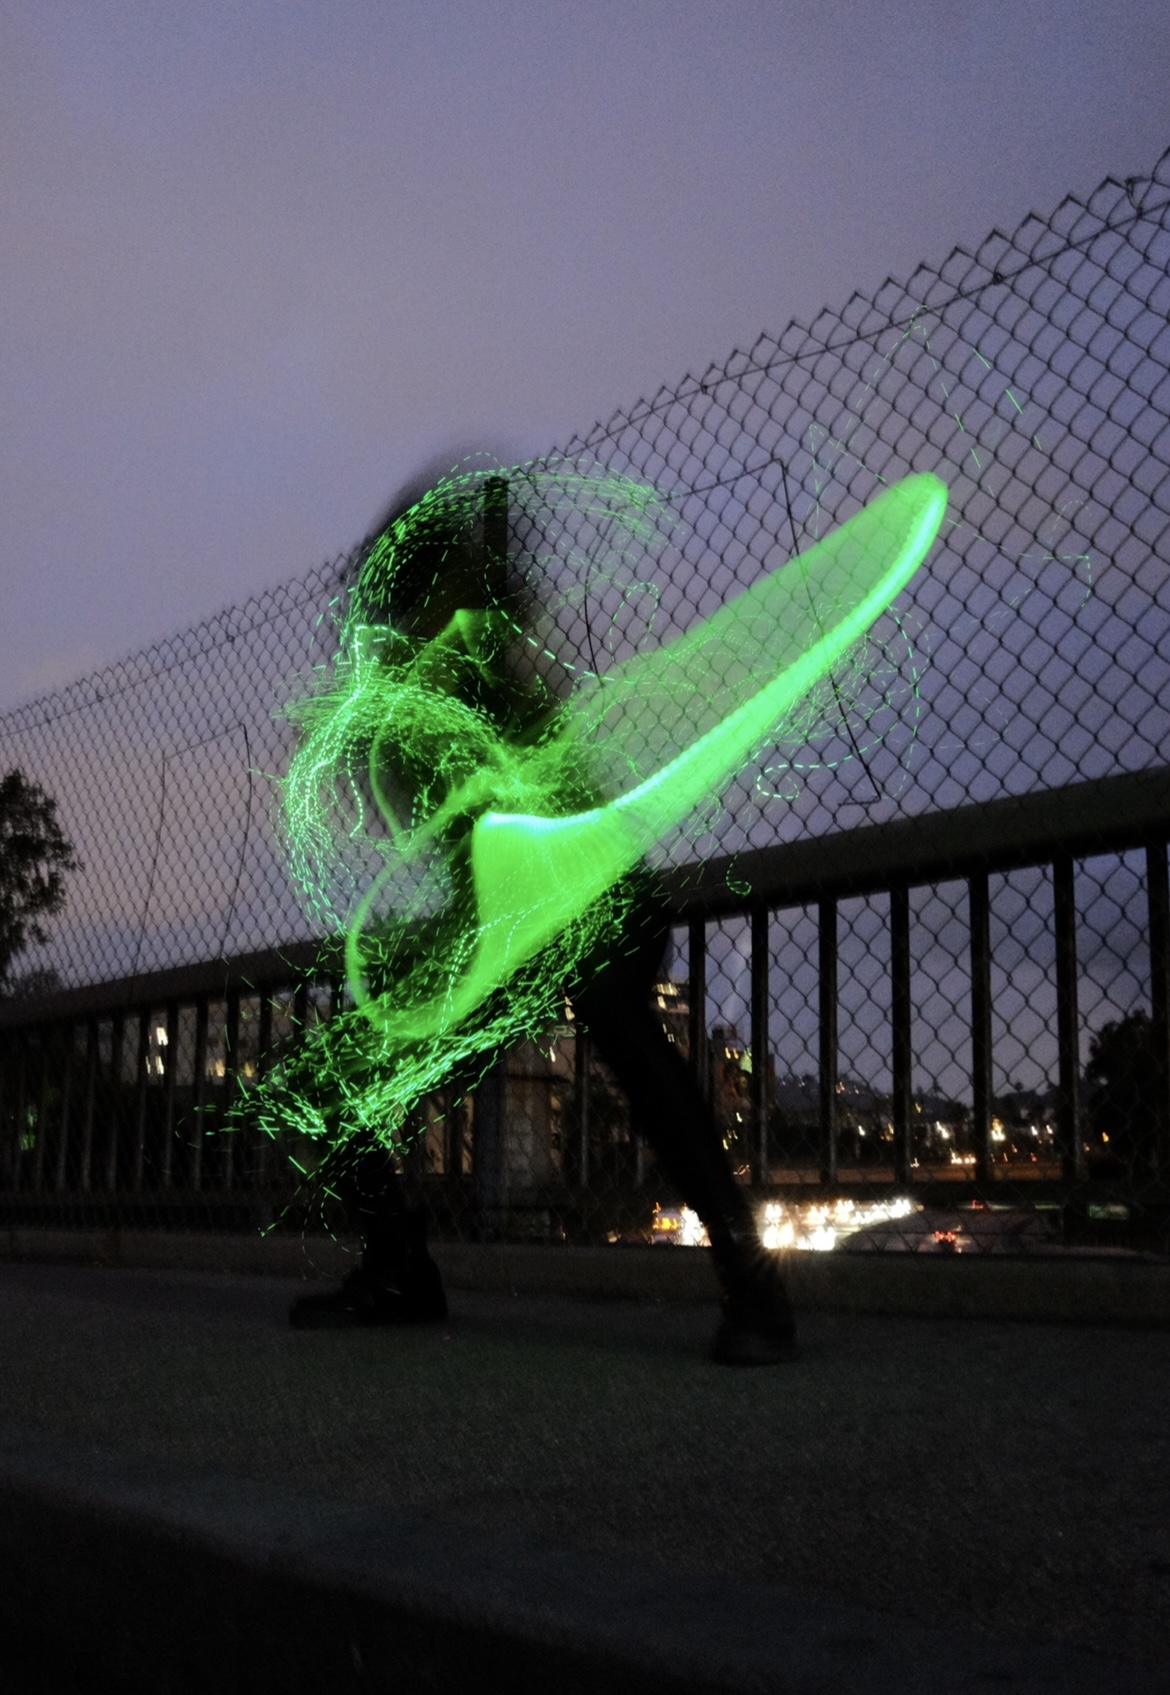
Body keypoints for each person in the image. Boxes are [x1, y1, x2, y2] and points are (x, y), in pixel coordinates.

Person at [287, 465, 798, 1366]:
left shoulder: (478, 660)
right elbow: (422, 813)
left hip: (585, 894)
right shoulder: (413, 697)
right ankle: (398, 1269)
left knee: (626, 1032)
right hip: (502, 923)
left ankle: (754, 1283)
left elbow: (489, 607)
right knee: (332, 1074)